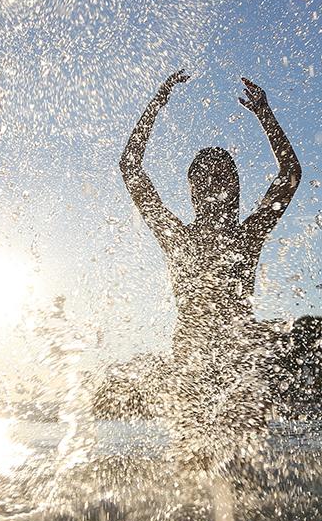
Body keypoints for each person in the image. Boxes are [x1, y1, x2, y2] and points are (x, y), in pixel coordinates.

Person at [119, 72, 301, 442]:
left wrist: (266, 114)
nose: (218, 188)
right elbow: (130, 168)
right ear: (194, 192)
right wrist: (158, 101)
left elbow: (291, 174)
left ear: (235, 189)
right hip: (203, 354)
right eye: (210, 181)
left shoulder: (237, 236)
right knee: (201, 459)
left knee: (235, 462)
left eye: (224, 180)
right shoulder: (190, 238)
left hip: (235, 354)